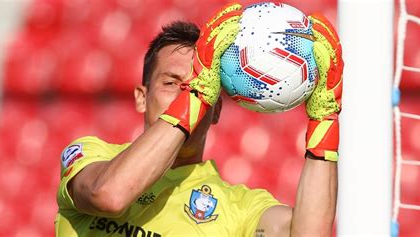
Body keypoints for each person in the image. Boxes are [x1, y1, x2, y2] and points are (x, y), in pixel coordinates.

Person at [55, 2, 343, 236]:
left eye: (197, 86)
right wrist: (197, 95)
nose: (187, 93)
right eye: (171, 83)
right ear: (141, 97)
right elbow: (109, 195)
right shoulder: (92, 156)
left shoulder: (239, 206)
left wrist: (323, 120)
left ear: (216, 110)